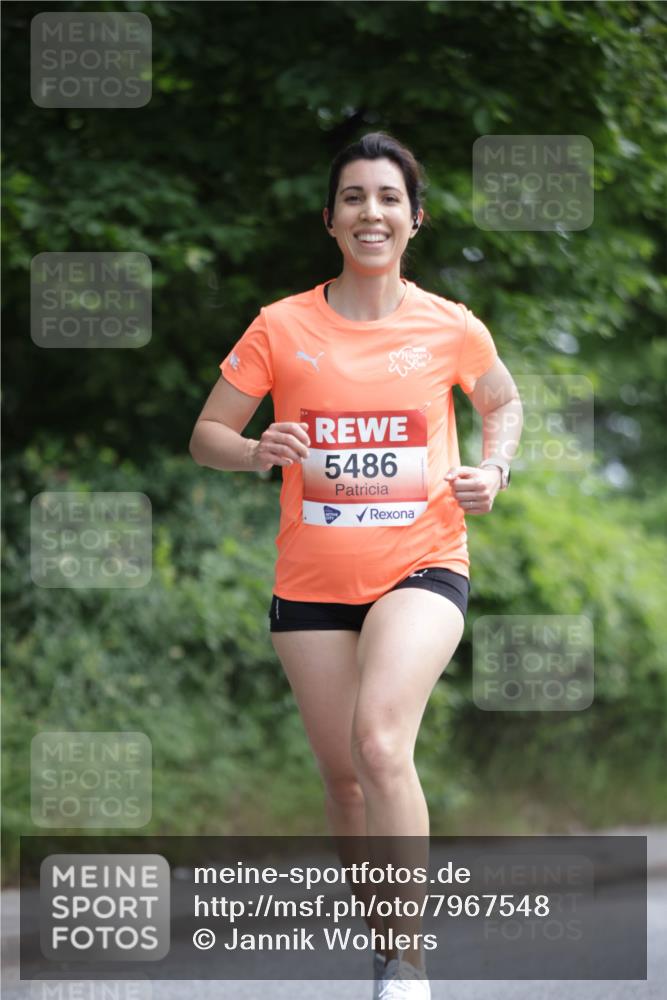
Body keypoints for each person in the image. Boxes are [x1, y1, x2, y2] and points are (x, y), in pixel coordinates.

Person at [189, 131, 523, 1000]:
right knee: (342, 778)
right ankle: (383, 940)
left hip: (423, 564)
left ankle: (408, 962)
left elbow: (502, 401)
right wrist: (258, 449)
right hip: (309, 586)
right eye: (352, 198)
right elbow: (206, 436)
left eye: (386, 198)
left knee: (379, 742)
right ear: (329, 220)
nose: (369, 212)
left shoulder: (448, 324)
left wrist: (493, 469)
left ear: (413, 220)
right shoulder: (281, 325)